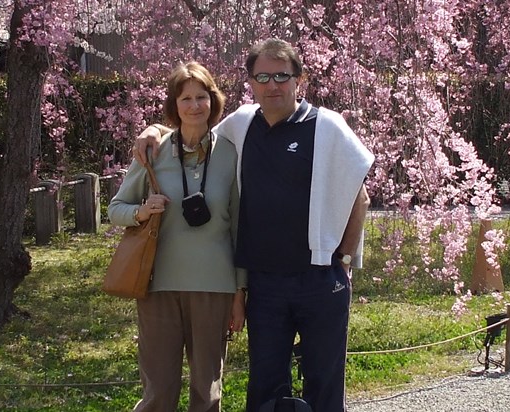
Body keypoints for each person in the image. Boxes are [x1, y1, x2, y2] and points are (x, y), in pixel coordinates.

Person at [133, 39, 374, 412]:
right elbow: (194, 128)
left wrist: (342, 258)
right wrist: (154, 130)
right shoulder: (242, 124)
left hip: (319, 279)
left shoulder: (326, 127)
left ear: (300, 79)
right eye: (262, 76)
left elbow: (360, 197)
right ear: (251, 82)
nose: (272, 85)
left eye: (282, 75)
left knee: (324, 384)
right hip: (265, 284)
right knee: (266, 387)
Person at [108, 61, 247, 412]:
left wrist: (239, 291)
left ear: (213, 101)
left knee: (207, 389)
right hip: (158, 285)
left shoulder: (230, 153)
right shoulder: (152, 152)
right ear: (174, 104)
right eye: (186, 98)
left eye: (202, 97)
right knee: (158, 389)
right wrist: (141, 211)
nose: (195, 105)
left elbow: (239, 227)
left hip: (214, 287)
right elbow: (115, 208)